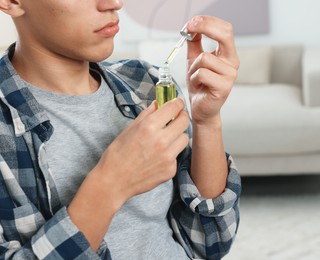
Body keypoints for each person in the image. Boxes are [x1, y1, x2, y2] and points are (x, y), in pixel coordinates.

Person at [0, 0, 241, 259]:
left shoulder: (144, 83)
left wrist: (207, 121)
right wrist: (111, 183)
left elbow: (210, 242)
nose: (114, 3)